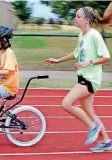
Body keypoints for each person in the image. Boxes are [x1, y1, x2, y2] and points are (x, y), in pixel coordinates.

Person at [43, 4, 112, 152]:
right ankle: (107, 141)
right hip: (84, 77)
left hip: (90, 79)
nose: (75, 19)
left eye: (78, 17)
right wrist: (58, 60)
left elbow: (106, 57)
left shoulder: (94, 35)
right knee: (90, 112)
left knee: (66, 103)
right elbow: (75, 54)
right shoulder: (82, 35)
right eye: (75, 16)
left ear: (87, 20)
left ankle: (93, 127)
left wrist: (89, 62)